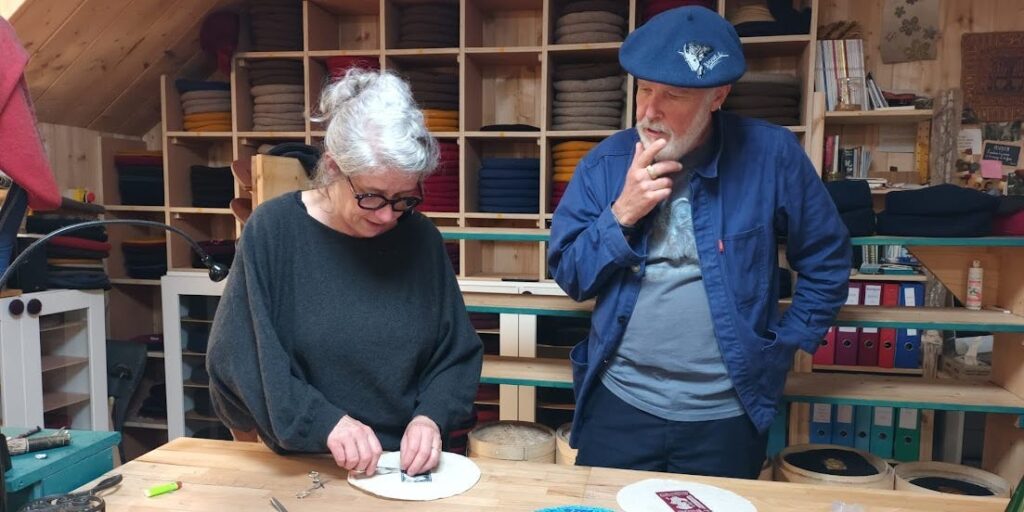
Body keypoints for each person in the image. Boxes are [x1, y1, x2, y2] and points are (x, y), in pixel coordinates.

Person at [548, 7, 850, 479]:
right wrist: (622, 213)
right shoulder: (604, 164)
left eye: (673, 94)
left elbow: (827, 261)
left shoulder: (772, 155)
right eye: (644, 89)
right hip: (620, 402)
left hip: (728, 412)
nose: (650, 111)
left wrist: (781, 347)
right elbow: (570, 275)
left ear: (718, 96)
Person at [206, 68, 483, 478]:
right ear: (333, 168)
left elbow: (455, 352)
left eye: (404, 198)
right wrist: (325, 422)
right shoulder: (273, 232)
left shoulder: (420, 237)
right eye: (372, 197)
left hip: (402, 468)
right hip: (308, 462)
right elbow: (237, 360)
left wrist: (430, 417)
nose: (388, 216)